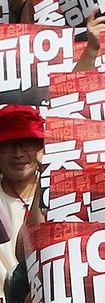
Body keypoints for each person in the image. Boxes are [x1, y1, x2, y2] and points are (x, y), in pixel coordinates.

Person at [0, 103, 44, 280]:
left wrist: (47, 177)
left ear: (42, 147)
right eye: (9, 144)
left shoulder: (61, 199)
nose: (18, 153)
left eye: (27, 143)